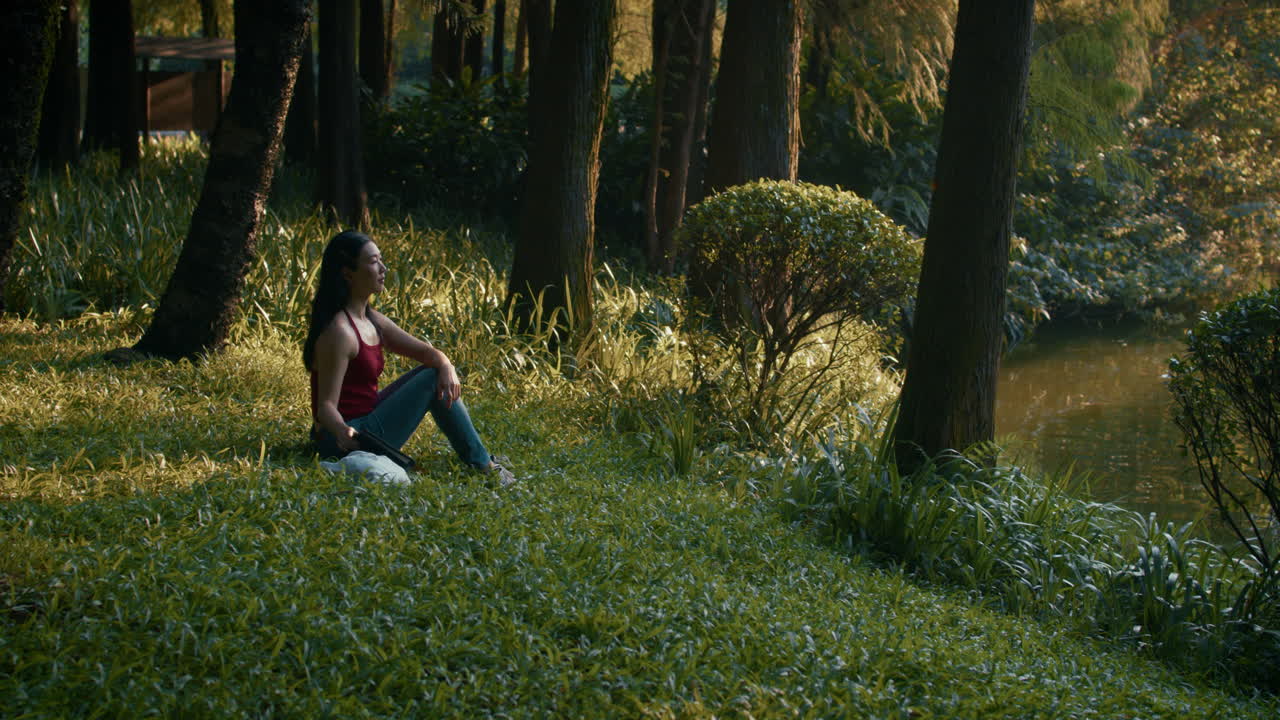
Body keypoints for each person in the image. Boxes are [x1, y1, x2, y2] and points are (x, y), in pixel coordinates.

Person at [304, 230, 514, 485]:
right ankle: (484, 465)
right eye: (373, 262)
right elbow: (325, 407)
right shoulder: (340, 332)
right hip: (345, 437)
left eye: (381, 260)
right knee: (430, 377)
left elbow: (427, 353)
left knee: (434, 371)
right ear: (348, 273)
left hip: (368, 418)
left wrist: (446, 365)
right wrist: (342, 431)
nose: (383, 268)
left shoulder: (371, 319)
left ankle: (480, 458)